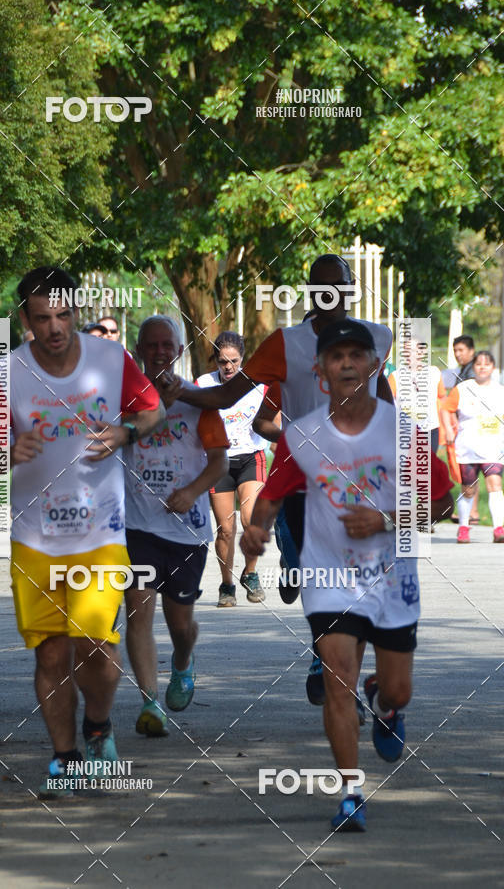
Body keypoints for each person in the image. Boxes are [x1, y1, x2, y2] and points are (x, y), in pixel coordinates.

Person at [163, 255, 393, 707]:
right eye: (320, 286)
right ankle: (328, 662)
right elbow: (229, 393)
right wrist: (180, 390)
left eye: (338, 285)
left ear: (351, 290)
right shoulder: (285, 344)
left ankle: (339, 670)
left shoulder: (378, 337)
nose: (330, 294)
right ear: (310, 291)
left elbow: (380, 393)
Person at [241, 320, 421, 832]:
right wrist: (256, 531)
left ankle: (386, 705)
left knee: (399, 689)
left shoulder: (402, 431)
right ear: (319, 371)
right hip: (329, 577)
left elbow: (438, 499)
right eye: (335, 356)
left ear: (372, 365)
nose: (346, 363)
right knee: (336, 680)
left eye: (356, 355)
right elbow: (273, 495)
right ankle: (350, 792)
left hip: (390, 577)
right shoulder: (303, 435)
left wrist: (386, 520)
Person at [9, 267, 163, 796]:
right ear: (25, 319)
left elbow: (154, 413)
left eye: (63, 315)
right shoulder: (7, 373)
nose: (54, 327)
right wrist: (6, 451)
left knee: (98, 647)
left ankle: (97, 723)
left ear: (76, 310)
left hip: (100, 532)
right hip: (34, 537)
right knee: (51, 653)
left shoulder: (111, 360)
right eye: (42, 317)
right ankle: (65, 757)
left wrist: (124, 431)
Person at [123, 316, 229, 737]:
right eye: (152, 345)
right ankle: (149, 703)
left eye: (168, 344)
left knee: (180, 625)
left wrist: (193, 490)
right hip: (137, 526)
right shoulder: (126, 398)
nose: (161, 351)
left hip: (188, 530)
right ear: (138, 350)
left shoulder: (198, 400)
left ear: (180, 350)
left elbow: (220, 461)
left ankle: (183, 664)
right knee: (137, 613)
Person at [196, 331, 271, 607]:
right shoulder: (204, 384)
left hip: (251, 458)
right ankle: (227, 585)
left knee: (251, 520)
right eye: (222, 361)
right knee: (225, 529)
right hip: (219, 461)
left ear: (243, 359)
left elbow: (273, 419)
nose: (228, 367)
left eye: (234, 361)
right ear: (215, 360)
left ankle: (250, 574)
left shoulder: (258, 385)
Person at [440, 350, 504, 544]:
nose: (482, 367)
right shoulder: (463, 388)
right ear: (473, 367)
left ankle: (499, 529)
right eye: (478, 364)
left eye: (487, 363)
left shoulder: (500, 390)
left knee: (495, 484)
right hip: (467, 447)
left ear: (492, 368)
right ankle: (464, 527)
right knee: (468, 489)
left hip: (493, 447)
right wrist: (449, 430)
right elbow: (446, 409)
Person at [441, 335, 480, 522]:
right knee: (470, 467)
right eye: (455, 350)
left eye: (461, 350)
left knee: (470, 468)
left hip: (471, 427)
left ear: (471, 351)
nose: (457, 354)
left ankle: (472, 511)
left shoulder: (473, 372)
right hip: (464, 426)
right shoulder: (464, 370)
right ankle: (472, 510)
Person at [388, 343, 446, 453]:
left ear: (422, 352)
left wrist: (446, 426)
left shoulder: (434, 372)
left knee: (430, 466)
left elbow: (442, 398)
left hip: (430, 429)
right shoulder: (395, 376)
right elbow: (387, 405)